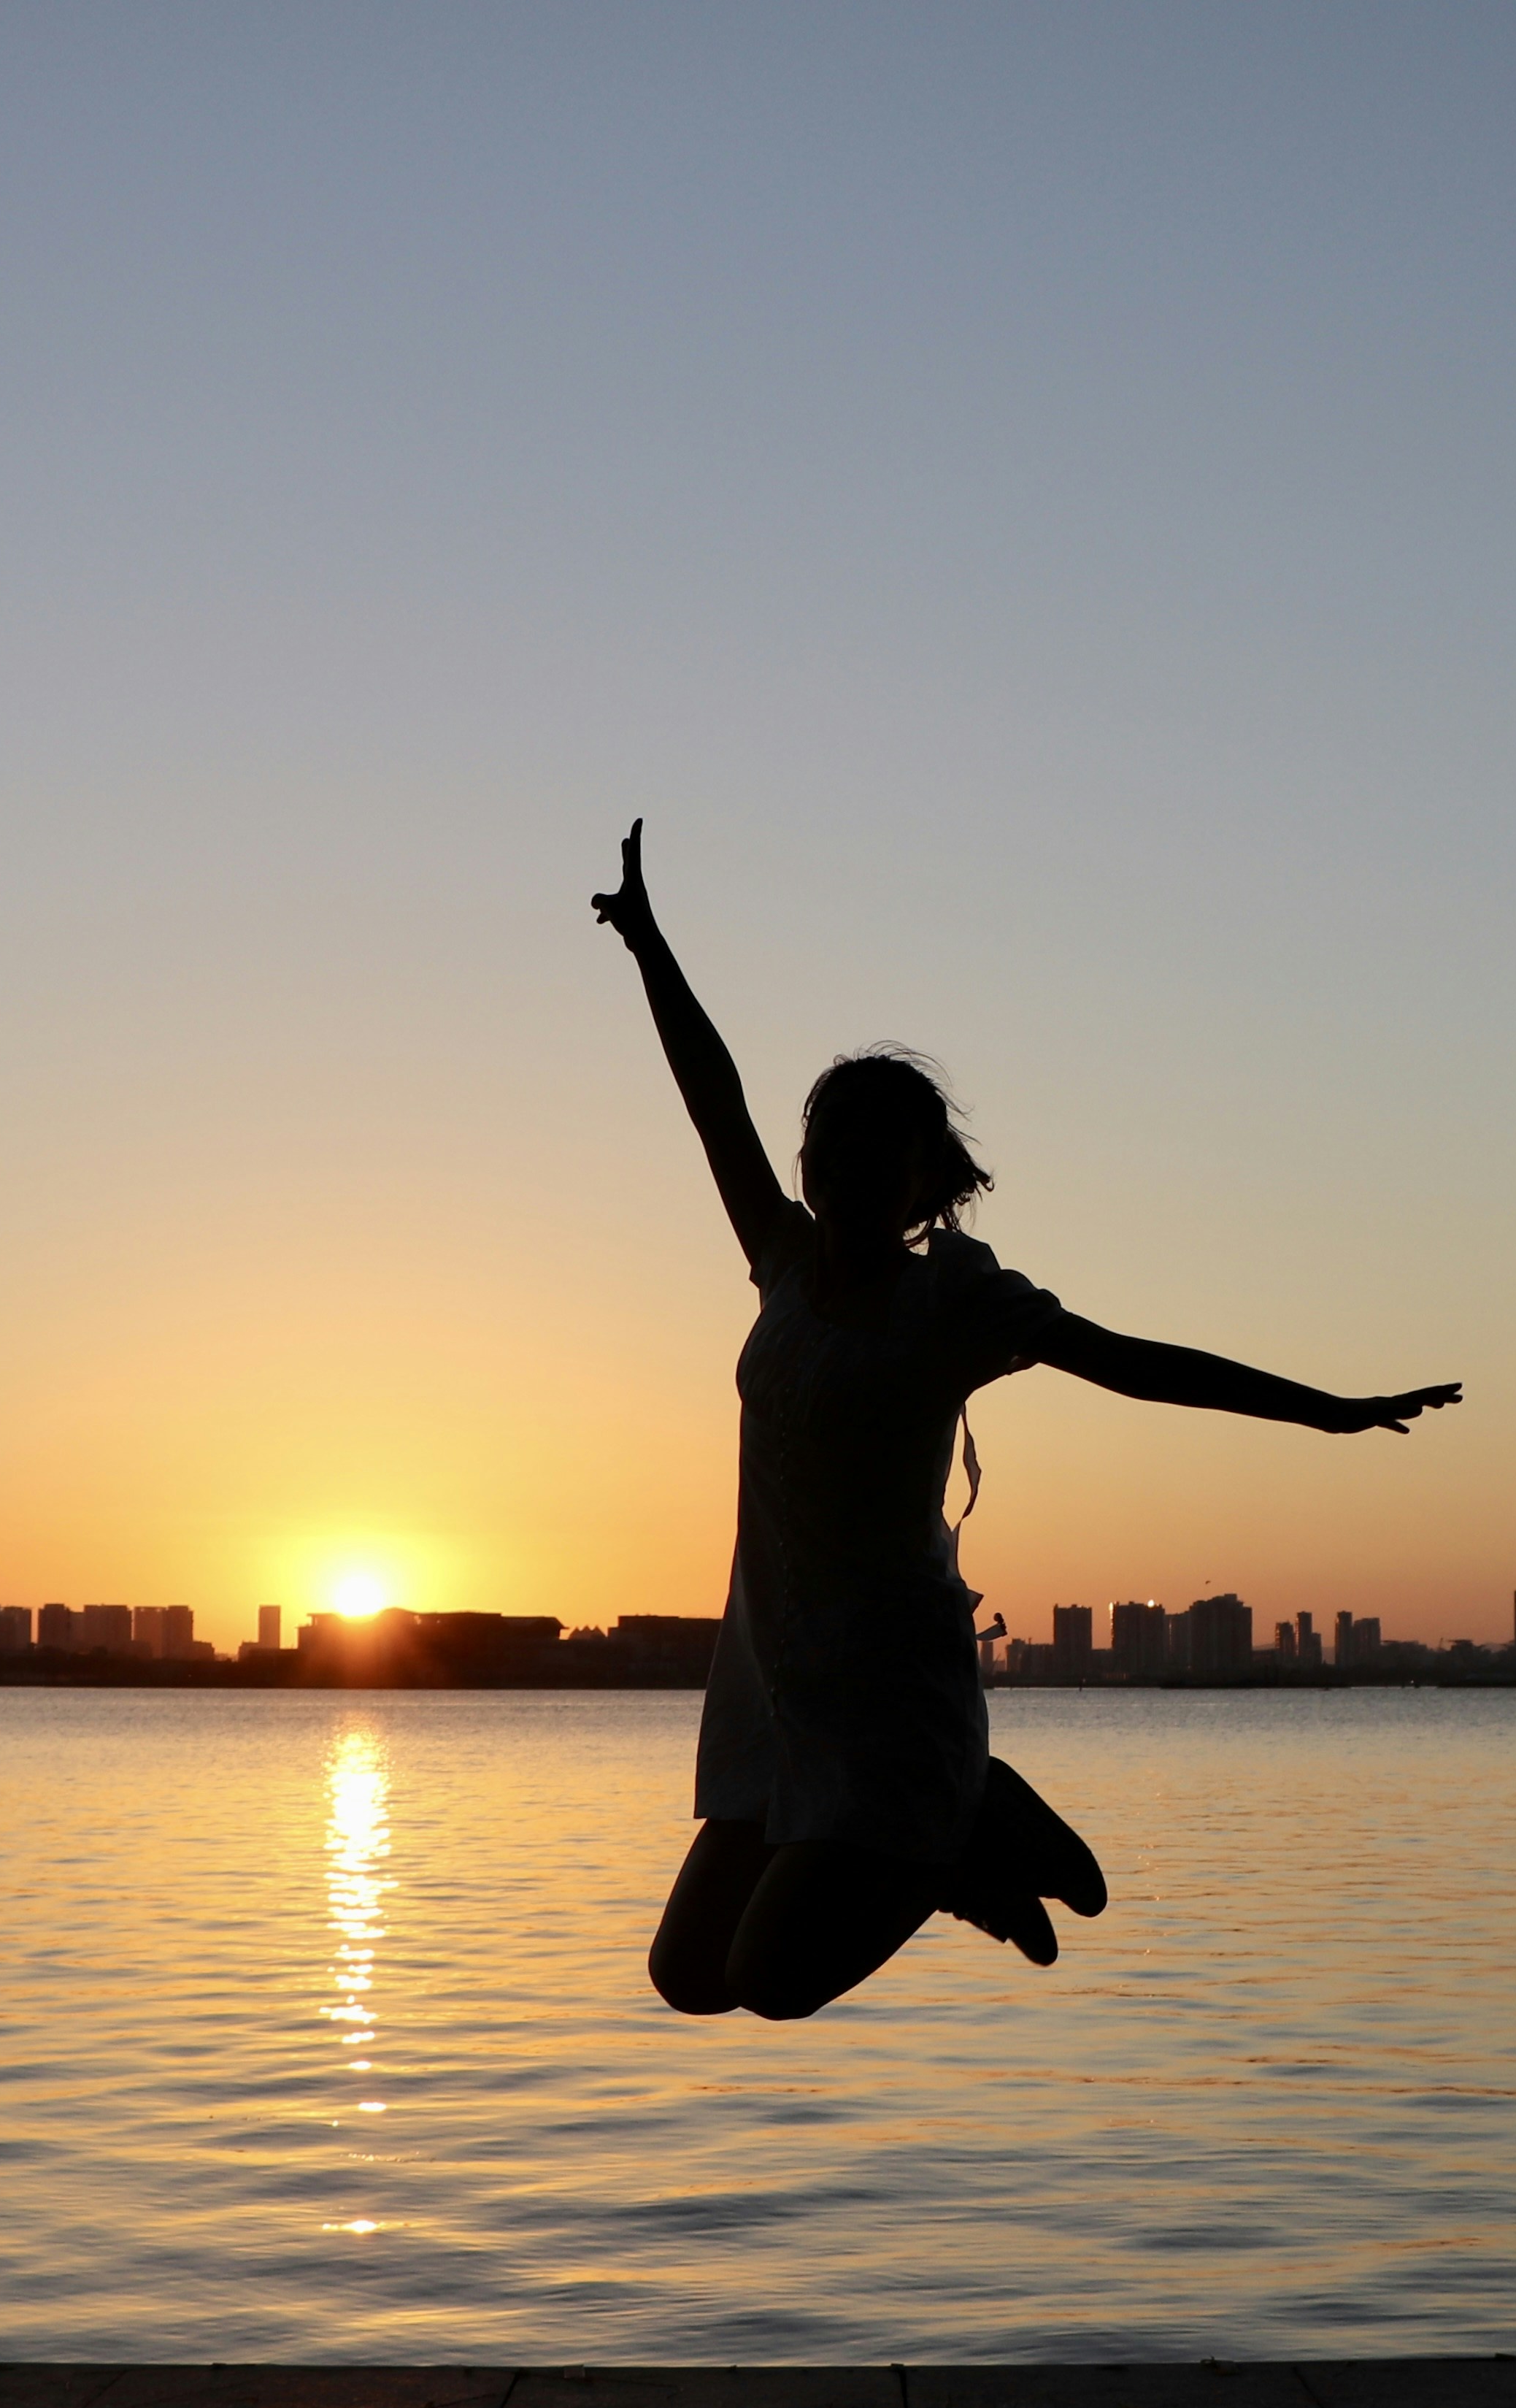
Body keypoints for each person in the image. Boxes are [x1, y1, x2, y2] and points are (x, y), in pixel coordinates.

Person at [596, 821, 1458, 2022]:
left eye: (879, 1158)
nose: (848, 1175)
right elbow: (713, 1104)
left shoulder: (952, 1302)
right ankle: (949, 1840)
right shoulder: (782, 1270)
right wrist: (646, 942)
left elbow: (1129, 1363)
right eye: (830, 1150)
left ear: (922, 1181)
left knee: (771, 1982)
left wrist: (1328, 1412)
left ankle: (955, 1832)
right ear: (807, 1165)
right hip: (775, 1678)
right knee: (689, 1978)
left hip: (889, 1686)